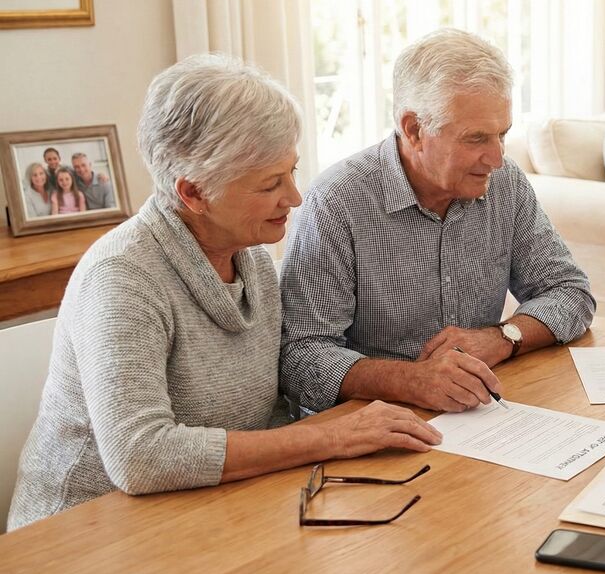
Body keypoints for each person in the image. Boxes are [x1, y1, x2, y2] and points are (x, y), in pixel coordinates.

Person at [7, 54, 442, 532]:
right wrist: (329, 436)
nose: (294, 197)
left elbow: (275, 395)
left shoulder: (249, 252)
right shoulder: (123, 277)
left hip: (212, 507)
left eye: (292, 172)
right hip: (85, 533)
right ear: (194, 192)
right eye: (270, 184)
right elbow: (141, 455)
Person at [280, 28, 595, 415]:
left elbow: (570, 291)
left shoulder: (505, 183)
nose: (497, 158)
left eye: (503, 134)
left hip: (479, 416)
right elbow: (300, 357)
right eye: (476, 138)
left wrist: (503, 337)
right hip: (374, 422)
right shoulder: (336, 202)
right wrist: (411, 380)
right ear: (414, 129)